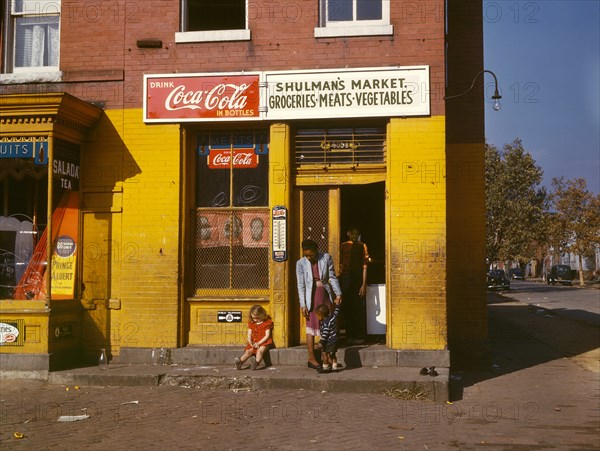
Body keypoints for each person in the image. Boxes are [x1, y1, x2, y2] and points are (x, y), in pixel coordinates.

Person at [296, 239, 342, 369]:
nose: (309, 257)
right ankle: (311, 358)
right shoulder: (300, 264)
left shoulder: (326, 258)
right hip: (311, 298)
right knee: (311, 326)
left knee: (326, 325)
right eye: (306, 255)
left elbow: (332, 277)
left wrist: (338, 293)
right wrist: (303, 304)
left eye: (311, 254)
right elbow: (301, 285)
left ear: (317, 251)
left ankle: (325, 358)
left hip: (325, 295)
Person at [339, 226, 369, 345]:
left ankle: (359, 335)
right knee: (347, 307)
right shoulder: (342, 246)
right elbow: (339, 263)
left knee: (358, 307)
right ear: (348, 233)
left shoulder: (362, 246)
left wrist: (363, 284)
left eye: (357, 234)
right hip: (345, 279)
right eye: (353, 234)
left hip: (357, 279)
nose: (355, 236)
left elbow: (365, 266)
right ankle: (348, 335)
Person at [234, 305, 273, 370]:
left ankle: (256, 363)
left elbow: (267, 335)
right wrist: (249, 340)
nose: (255, 320)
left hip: (264, 342)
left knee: (260, 351)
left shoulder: (266, 323)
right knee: (248, 352)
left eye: (257, 318)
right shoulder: (252, 323)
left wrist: (259, 343)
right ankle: (240, 362)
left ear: (262, 315)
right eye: (253, 318)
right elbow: (249, 333)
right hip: (254, 341)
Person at [316, 297, 342, 373]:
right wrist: (337, 305)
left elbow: (325, 333)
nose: (317, 317)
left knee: (324, 354)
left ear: (321, 315)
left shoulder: (325, 323)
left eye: (317, 316)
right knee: (332, 354)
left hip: (328, 341)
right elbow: (336, 312)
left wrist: (321, 342)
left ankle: (326, 367)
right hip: (334, 340)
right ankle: (335, 367)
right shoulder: (332, 318)